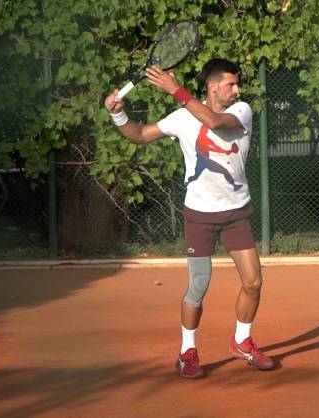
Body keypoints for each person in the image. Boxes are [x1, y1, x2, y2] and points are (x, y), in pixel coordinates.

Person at [103, 58, 274, 379]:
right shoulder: (182, 118)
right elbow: (139, 134)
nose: (237, 90)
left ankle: (242, 341)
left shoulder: (241, 111)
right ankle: (187, 352)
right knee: (198, 286)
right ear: (213, 87)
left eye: (237, 84)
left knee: (253, 282)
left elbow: (214, 122)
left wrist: (175, 90)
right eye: (231, 84)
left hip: (236, 212)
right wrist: (118, 114)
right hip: (199, 216)